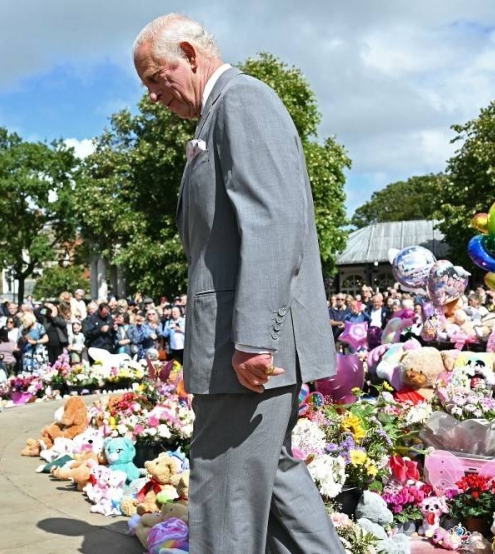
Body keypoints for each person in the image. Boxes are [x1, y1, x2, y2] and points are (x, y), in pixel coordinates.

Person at [133, 14, 342, 553]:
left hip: (242, 348)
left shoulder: (241, 102)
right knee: (267, 480)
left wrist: (254, 338)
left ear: (189, 52)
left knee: (225, 489)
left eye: (157, 77)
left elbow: (272, 222)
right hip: (236, 344)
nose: (154, 96)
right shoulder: (217, 115)